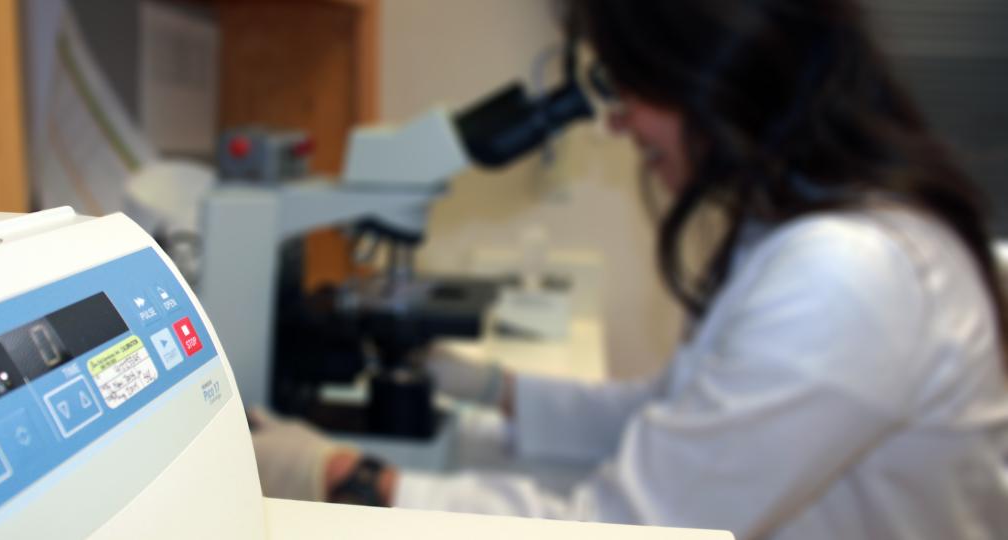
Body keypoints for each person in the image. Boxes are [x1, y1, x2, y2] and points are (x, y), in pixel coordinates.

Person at [249, 0, 1008, 538]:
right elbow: (675, 410)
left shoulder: (847, 273)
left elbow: (628, 529)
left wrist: (344, 480)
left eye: (628, 86)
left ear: (711, 69)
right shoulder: (816, 232)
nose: (615, 123)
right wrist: (494, 391)